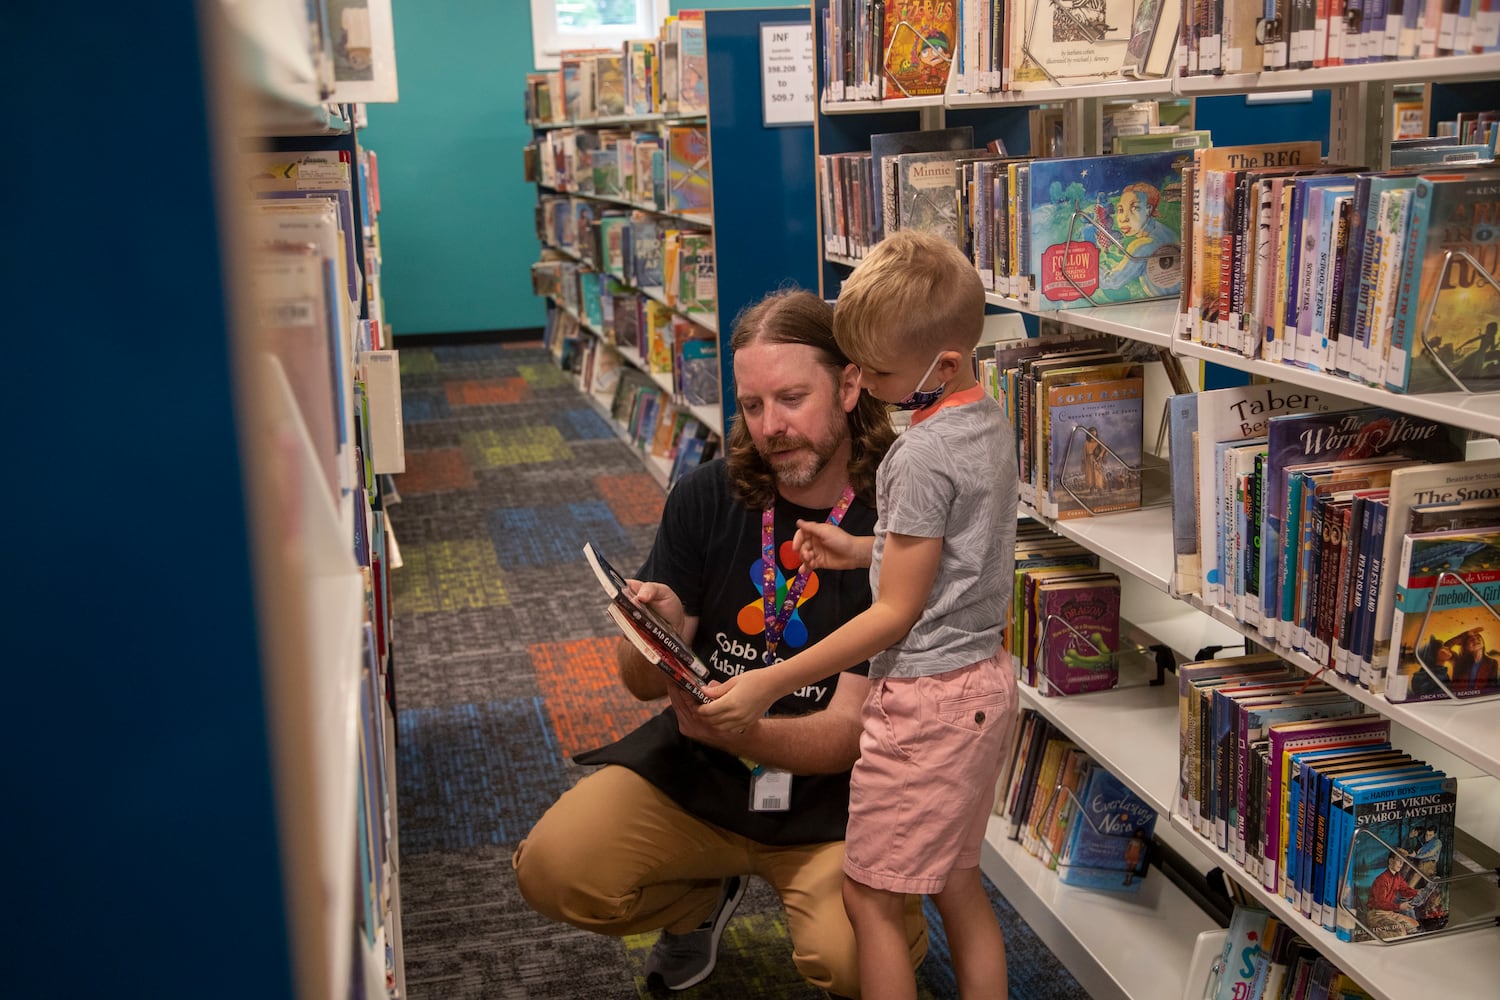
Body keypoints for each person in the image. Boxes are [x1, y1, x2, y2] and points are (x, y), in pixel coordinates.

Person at [512, 289, 926, 997]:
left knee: (856, 961)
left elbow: (846, 734)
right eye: (754, 405)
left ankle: (804, 892)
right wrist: (663, 627)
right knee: (552, 870)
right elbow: (643, 685)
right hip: (702, 772)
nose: (771, 427)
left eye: (792, 398)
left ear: (851, 385)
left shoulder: (897, 524)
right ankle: (702, 903)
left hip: (838, 799)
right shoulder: (708, 496)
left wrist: (737, 722)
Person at [700, 230, 1020, 1000]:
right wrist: (860, 548)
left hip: (925, 704)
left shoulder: (916, 454)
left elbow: (895, 615)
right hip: (983, 686)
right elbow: (949, 552)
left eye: (877, 372)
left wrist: (772, 681)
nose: (866, 387)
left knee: (870, 899)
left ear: (940, 365)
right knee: (959, 883)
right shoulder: (989, 422)